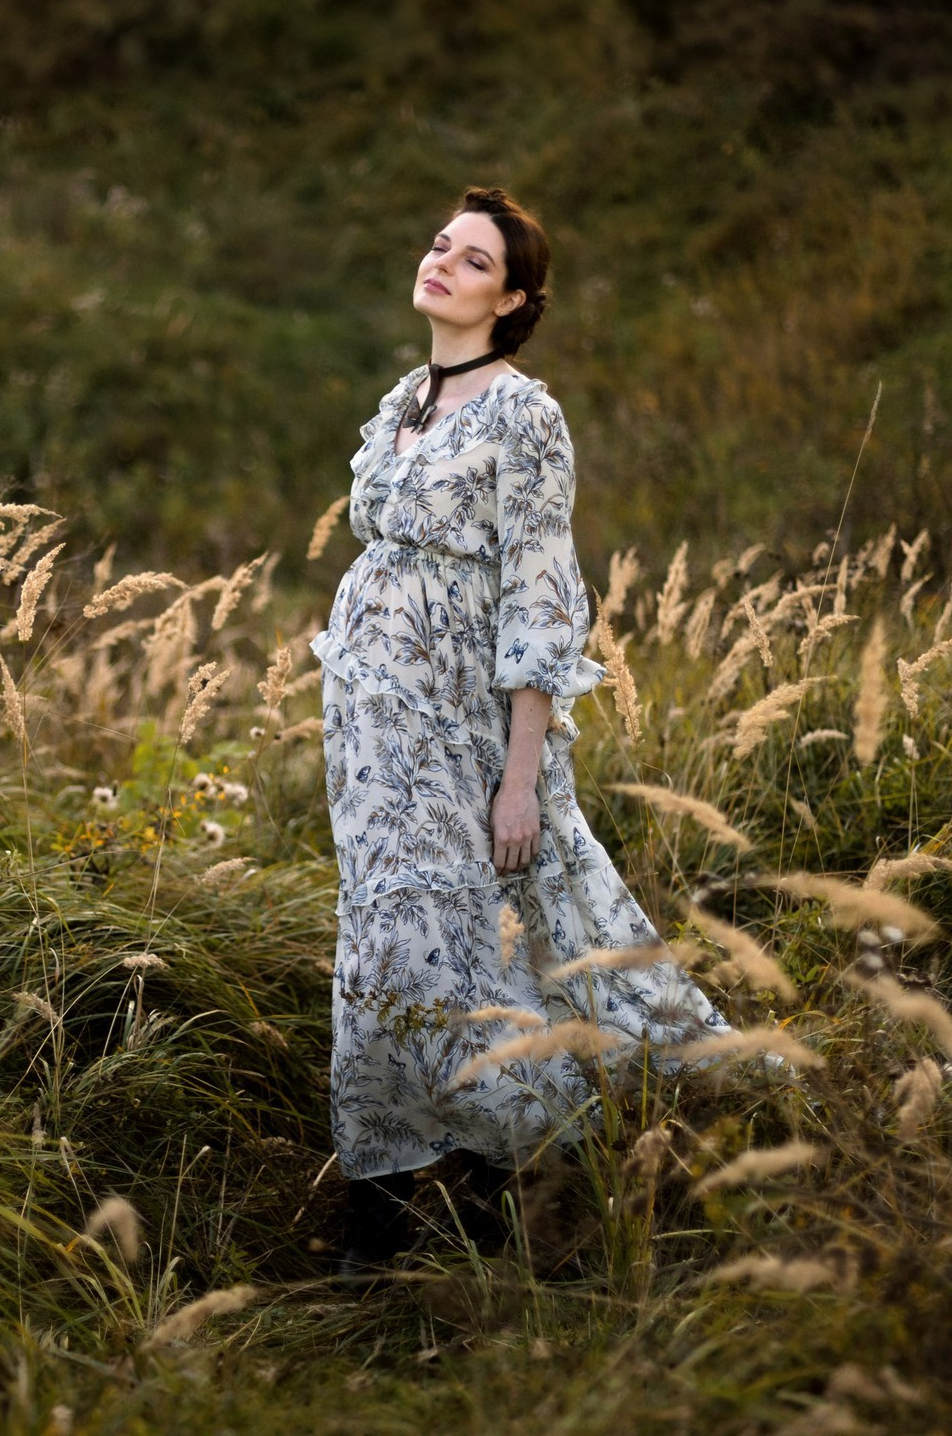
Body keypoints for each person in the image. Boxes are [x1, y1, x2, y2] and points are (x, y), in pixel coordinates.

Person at [310, 186, 732, 1280]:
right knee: (378, 940)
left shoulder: (522, 415)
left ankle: (516, 1185)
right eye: (439, 245)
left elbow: (542, 603)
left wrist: (520, 777)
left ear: (512, 298)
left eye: (472, 259)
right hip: (369, 735)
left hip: (460, 729)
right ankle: (393, 1200)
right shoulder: (407, 400)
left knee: (455, 942)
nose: (441, 262)